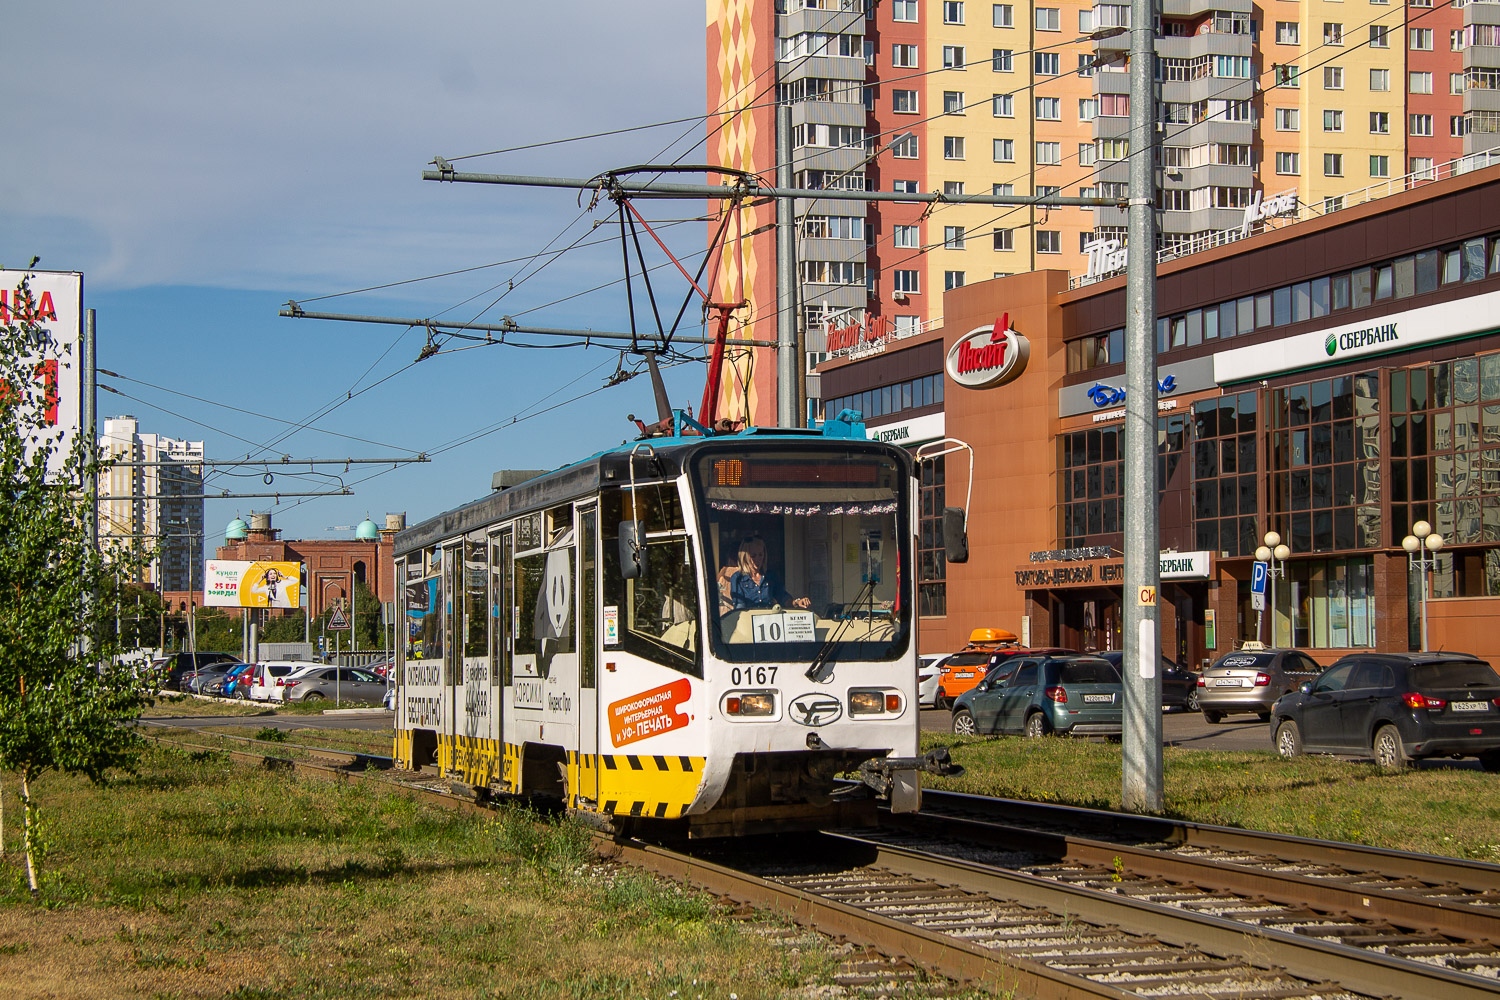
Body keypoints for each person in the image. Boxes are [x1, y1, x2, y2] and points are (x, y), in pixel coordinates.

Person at [727, 536, 811, 611]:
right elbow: (739, 606)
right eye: (753, 555)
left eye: (761, 554)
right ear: (745, 557)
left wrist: (797, 602)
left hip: (768, 620)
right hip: (747, 622)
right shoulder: (738, 578)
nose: (758, 559)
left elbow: (782, 596)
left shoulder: (770, 576)